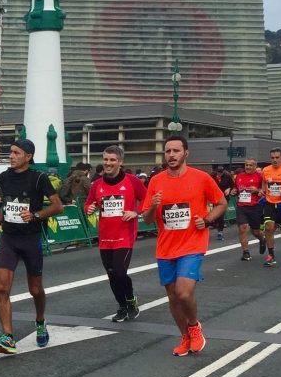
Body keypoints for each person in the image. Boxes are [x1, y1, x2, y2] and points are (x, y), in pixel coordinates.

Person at [141, 135, 227, 356]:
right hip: (166, 246)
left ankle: (194, 326)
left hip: (193, 243)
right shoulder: (156, 181)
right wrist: (154, 206)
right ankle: (185, 336)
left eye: (176, 151)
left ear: (186, 153)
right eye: (168, 151)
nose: (171, 155)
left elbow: (221, 203)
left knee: (183, 293)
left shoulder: (201, 178)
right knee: (172, 297)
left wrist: (207, 221)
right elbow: (148, 219)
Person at [0, 139, 63, 354]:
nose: (11, 156)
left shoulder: (39, 178)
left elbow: (58, 206)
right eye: (10, 152)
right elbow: (8, 204)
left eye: (16, 153)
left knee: (35, 289)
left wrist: (36, 215)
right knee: (1, 287)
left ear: (28, 157)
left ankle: (40, 321)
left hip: (30, 239)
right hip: (10, 238)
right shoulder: (4, 177)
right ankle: (8, 337)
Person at [84, 145, 147, 322]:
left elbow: (147, 199)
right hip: (105, 237)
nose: (108, 163)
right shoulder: (97, 184)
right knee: (112, 275)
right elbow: (88, 204)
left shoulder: (132, 181)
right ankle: (122, 306)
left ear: (120, 162)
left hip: (125, 236)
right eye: (105, 159)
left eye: (112, 160)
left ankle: (130, 300)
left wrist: (136, 212)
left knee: (120, 272)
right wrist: (88, 208)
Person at [233, 158, 266, 260]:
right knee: (243, 228)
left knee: (255, 231)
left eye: (250, 165)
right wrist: (234, 191)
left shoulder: (259, 177)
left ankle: (262, 239)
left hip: (255, 207)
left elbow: (264, 191)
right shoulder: (239, 176)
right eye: (246, 165)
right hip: (242, 206)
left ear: (255, 167)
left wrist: (257, 190)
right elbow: (236, 188)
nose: (248, 167)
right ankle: (245, 252)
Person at [211, 166, 235, 241]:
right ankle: (215, 224)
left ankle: (220, 232)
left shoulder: (227, 176)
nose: (219, 174)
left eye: (221, 173)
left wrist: (229, 189)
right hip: (214, 197)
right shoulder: (212, 176)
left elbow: (233, 185)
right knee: (215, 214)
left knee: (221, 214)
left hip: (224, 197)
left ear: (223, 172)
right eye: (218, 172)